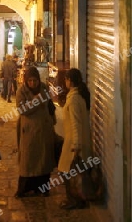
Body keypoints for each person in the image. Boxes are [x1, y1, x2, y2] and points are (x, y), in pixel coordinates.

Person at [15, 66, 55, 198]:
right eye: (30, 81)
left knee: (43, 160)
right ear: (26, 80)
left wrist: (52, 119)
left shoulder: (44, 88)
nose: (33, 83)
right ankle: (25, 189)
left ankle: (43, 188)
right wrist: (37, 100)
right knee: (28, 161)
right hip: (29, 132)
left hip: (43, 130)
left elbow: (50, 105)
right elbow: (22, 109)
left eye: (35, 81)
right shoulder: (21, 91)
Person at [58, 68, 92, 209]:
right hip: (76, 141)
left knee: (67, 172)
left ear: (70, 81)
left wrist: (76, 146)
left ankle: (75, 200)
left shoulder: (74, 100)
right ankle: (79, 199)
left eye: (66, 79)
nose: (65, 81)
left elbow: (76, 124)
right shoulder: (79, 96)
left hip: (73, 143)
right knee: (75, 172)